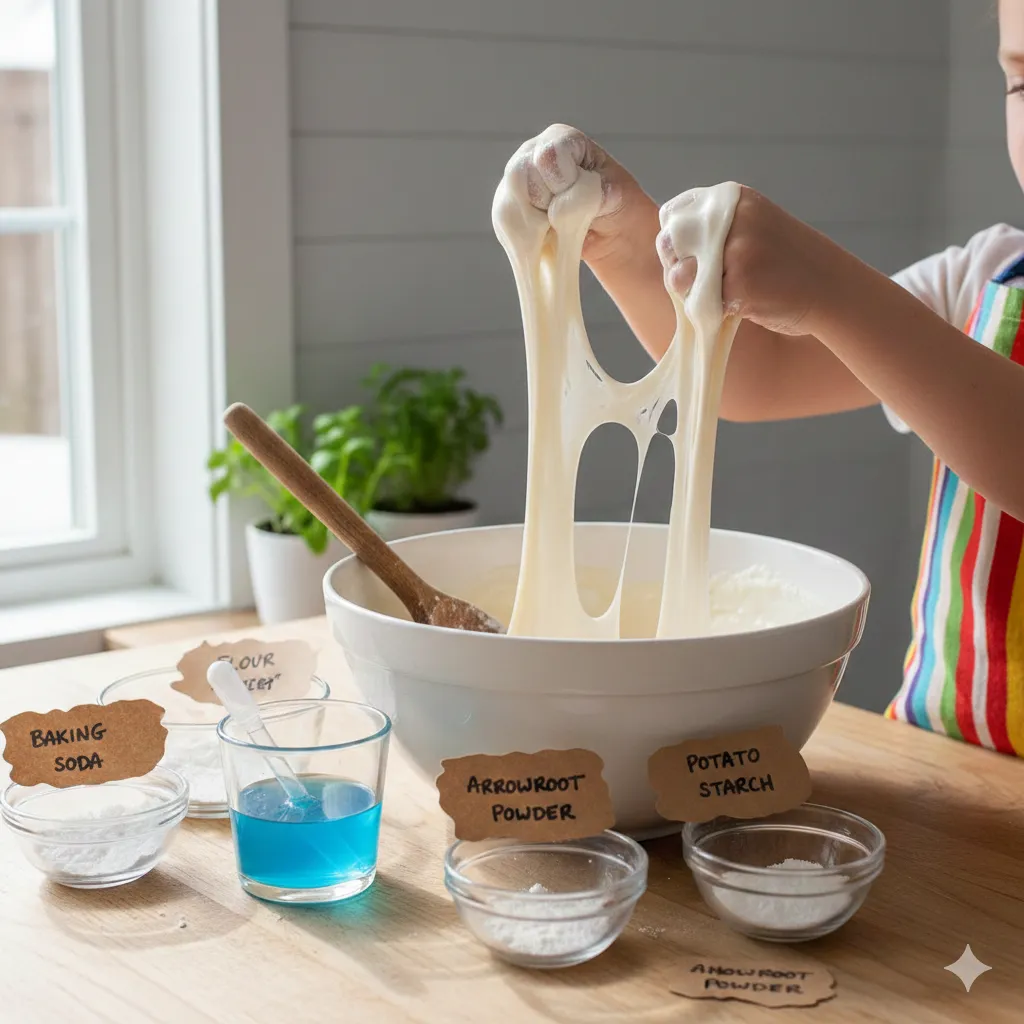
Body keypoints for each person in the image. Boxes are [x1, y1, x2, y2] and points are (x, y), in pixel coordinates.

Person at [504, 3, 1024, 759]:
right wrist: (618, 237)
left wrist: (833, 289)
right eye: (1023, 80)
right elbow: (756, 374)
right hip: (947, 764)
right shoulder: (983, 279)